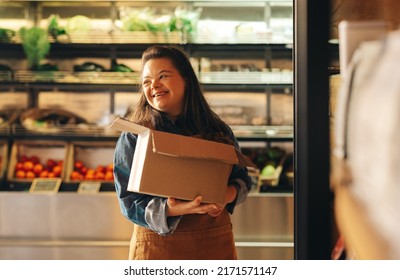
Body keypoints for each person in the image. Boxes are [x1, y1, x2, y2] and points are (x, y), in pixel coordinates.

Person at [113, 45, 252, 260]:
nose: (154, 86)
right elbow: (128, 202)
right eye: (146, 82)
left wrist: (225, 195)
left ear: (186, 78)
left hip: (213, 243)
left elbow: (242, 180)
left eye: (163, 76)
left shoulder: (217, 130)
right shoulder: (136, 135)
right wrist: (173, 209)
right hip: (157, 248)